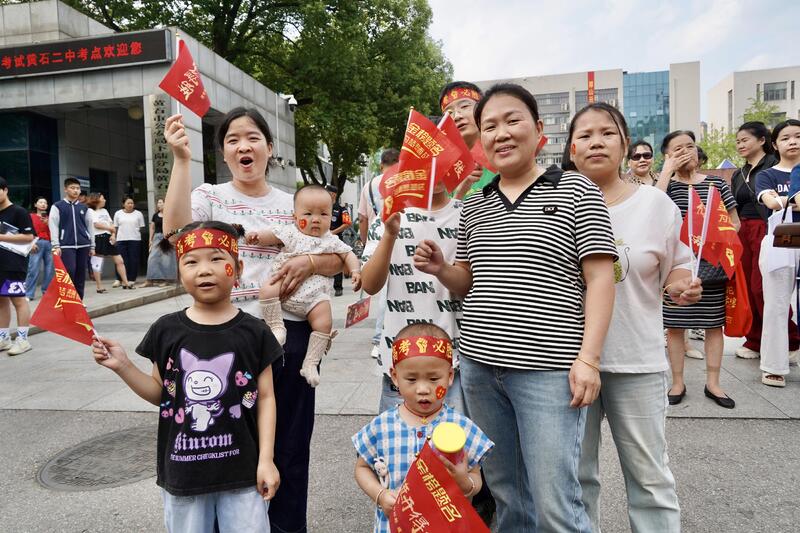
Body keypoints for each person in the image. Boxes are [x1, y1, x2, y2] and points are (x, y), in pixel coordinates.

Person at [415, 83, 617, 532]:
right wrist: (441, 268)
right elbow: (467, 281)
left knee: (555, 501)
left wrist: (589, 359)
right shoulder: (475, 203)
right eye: (490, 126)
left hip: (549, 372)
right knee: (508, 493)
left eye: (512, 121)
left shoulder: (576, 187)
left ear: (539, 129)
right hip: (481, 370)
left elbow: (601, 279)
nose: (501, 133)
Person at [163, 107, 343, 533]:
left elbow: (336, 255)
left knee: (289, 445)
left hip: (289, 333)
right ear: (224, 152)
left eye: (252, 138)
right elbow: (175, 234)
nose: (243, 146)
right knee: (228, 444)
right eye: (232, 140)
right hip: (224, 338)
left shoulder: (292, 202)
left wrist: (309, 262)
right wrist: (182, 160)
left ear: (269, 147)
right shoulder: (210, 196)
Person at [91, 221, 281, 532]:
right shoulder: (166, 330)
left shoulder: (255, 332)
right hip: (183, 473)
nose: (204, 270)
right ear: (180, 272)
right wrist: (123, 366)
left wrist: (267, 459)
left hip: (244, 472)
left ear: (238, 268)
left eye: (217, 258)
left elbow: (267, 398)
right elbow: (161, 393)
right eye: (191, 262)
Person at [564, 103, 701, 531]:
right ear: (571, 149)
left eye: (607, 133)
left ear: (625, 144)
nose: (596, 142)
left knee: (649, 479)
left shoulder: (656, 205)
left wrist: (681, 285)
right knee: (575, 479)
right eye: (585, 135)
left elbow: (677, 266)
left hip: (637, 360)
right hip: (567, 364)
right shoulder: (554, 204)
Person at [352, 323, 494, 533]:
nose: (423, 389)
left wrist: (464, 482)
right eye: (411, 379)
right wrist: (380, 495)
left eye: (434, 379)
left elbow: (476, 477)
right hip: (394, 525)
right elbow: (362, 468)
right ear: (395, 377)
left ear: (450, 377)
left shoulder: (461, 427)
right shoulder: (382, 425)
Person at [360, 168, 466, 414]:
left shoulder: (467, 215)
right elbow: (370, 284)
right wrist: (389, 234)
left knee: (453, 437)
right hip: (401, 360)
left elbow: (469, 284)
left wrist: (442, 270)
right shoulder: (390, 216)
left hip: (457, 363)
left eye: (443, 161)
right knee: (398, 436)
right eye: (424, 163)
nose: (435, 170)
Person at [656, 130, 740, 408]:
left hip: (712, 266)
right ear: (667, 156)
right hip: (677, 268)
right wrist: (666, 172)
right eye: (677, 149)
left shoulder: (716, 184)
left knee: (714, 325)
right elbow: (651, 213)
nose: (685, 152)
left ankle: (713, 383)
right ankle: (677, 382)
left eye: (689, 146)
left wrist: (715, 239)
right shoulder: (666, 187)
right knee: (675, 326)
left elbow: (735, 223)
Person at [247, 184, 361, 387]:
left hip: (314, 298)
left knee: (324, 322)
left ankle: (310, 362)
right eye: (308, 214)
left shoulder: (331, 240)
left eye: (323, 214)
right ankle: (276, 326)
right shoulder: (291, 232)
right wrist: (257, 237)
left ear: (331, 217)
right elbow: (272, 236)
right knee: (267, 289)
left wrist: (355, 271)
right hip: (283, 285)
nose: (315, 219)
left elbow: (348, 255)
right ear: (294, 216)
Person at [731, 122, 796, 361]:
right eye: (738, 141)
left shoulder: (773, 166)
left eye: (745, 140)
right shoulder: (739, 173)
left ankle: (791, 339)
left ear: (762, 140)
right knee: (749, 288)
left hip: (767, 228)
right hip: (743, 231)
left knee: (765, 288)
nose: (740, 145)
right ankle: (755, 340)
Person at [755, 119, 800, 387]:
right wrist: (792, 200)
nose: (793, 141)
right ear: (775, 144)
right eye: (785, 138)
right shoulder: (768, 175)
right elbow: (770, 202)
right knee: (777, 303)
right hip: (782, 237)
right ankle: (773, 366)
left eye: (798, 136)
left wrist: (785, 201)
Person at [358, 148, 400, 359]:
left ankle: (378, 338)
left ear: (381, 164)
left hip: (377, 237)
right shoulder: (403, 180)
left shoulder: (369, 186)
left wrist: (366, 242)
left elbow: (362, 218)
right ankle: (385, 335)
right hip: (399, 232)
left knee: (383, 290)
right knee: (395, 288)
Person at [0, 177, 35, 356]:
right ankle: (3, 338)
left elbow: (29, 237)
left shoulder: (19, 212)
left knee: (18, 300)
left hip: (14, 264)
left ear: (5, 190)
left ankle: (23, 340)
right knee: (1, 301)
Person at [439, 81, 491, 199]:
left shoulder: (504, 155)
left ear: (482, 109)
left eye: (464, 106)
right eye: (449, 112)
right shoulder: (445, 171)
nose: (457, 116)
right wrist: (460, 193)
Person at [49, 177, 94, 299]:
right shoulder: (57, 206)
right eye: (72, 188)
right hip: (66, 245)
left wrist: (92, 246)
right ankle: (68, 300)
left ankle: (79, 301)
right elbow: (53, 226)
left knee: (81, 274)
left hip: (84, 244)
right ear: (65, 189)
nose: (75, 191)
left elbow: (90, 227)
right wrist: (56, 245)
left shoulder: (84, 208)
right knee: (69, 271)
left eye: (78, 188)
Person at [86, 193, 132, 293]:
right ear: (96, 200)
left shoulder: (105, 211)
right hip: (98, 238)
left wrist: (113, 234)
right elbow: (96, 224)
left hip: (108, 237)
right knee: (97, 263)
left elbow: (111, 224)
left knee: (119, 260)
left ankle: (126, 282)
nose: (105, 200)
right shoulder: (90, 211)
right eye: (103, 198)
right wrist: (110, 228)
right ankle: (99, 286)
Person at [141, 198, 177, 287]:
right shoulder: (155, 215)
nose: (159, 204)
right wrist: (150, 240)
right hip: (157, 237)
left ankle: (166, 280)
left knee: (166, 259)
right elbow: (152, 228)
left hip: (167, 237)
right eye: (158, 203)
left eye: (161, 202)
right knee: (152, 258)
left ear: (165, 204)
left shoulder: (169, 215)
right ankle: (149, 280)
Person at [24, 197, 55, 300]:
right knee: (33, 269)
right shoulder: (30, 216)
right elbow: (27, 230)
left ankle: (46, 291)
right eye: (40, 202)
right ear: (35, 205)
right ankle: (29, 294)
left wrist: (48, 223)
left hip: (49, 243)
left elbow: (54, 232)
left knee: (49, 269)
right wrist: (30, 243)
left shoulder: (50, 218)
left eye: (45, 203)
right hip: (36, 242)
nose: (43, 204)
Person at [113, 196, 145, 288]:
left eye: (132, 203)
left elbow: (141, 227)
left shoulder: (138, 214)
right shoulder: (118, 213)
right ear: (123, 204)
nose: (130, 205)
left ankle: (131, 279)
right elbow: (115, 227)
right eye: (128, 203)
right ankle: (119, 279)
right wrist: (114, 236)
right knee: (121, 260)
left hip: (134, 239)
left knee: (133, 259)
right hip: (121, 239)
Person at [326, 184, 352, 296]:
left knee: (337, 262)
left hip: (336, 238)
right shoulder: (322, 207)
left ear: (333, 195)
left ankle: (338, 287)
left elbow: (347, 223)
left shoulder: (341, 209)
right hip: (322, 238)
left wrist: (333, 232)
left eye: (327, 193)